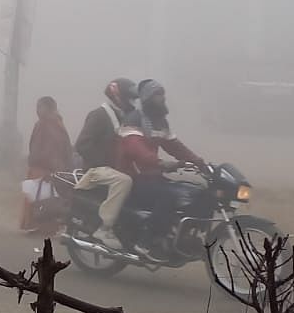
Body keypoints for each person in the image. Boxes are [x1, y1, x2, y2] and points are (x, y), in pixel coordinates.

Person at [115, 81, 206, 260]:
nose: (162, 98)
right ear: (148, 98)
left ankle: (182, 236)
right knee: (169, 196)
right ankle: (146, 241)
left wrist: (198, 161)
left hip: (152, 176)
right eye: (158, 95)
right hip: (133, 178)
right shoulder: (133, 119)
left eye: (162, 94)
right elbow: (135, 148)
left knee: (193, 192)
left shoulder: (160, 122)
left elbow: (175, 146)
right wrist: (161, 163)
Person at [72, 78, 137, 249]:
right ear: (117, 96)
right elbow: (82, 144)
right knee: (124, 181)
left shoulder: (122, 117)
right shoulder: (99, 115)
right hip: (96, 169)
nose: (132, 102)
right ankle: (105, 227)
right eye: (129, 97)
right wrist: (103, 162)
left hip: (112, 170)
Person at [21, 96, 74, 234]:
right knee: (44, 196)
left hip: (45, 167)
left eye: (40, 107)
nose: (37, 110)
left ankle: (43, 227)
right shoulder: (56, 123)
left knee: (41, 198)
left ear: (47, 108)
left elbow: (50, 148)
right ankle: (44, 226)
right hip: (50, 166)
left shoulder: (47, 124)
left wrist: (45, 165)